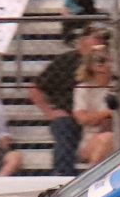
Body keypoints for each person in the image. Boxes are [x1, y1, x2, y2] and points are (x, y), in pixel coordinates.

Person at [32, 26, 115, 176]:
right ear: (83, 41)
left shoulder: (109, 63)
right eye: (96, 38)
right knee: (65, 129)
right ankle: (63, 175)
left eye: (103, 39)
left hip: (97, 115)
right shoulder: (65, 61)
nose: (101, 42)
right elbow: (35, 89)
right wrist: (49, 112)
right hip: (69, 114)